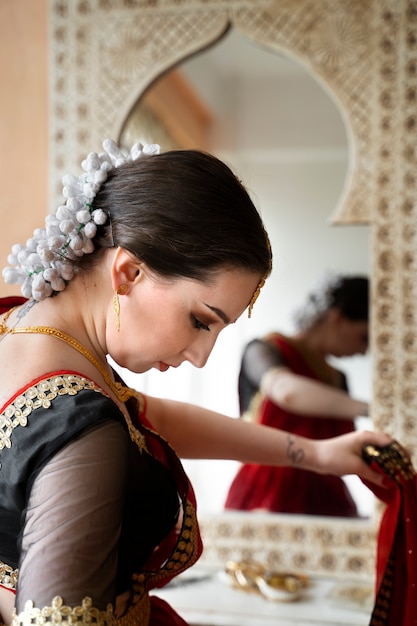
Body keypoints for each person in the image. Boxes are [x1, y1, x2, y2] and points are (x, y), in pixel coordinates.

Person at [0, 139, 390, 626]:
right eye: (202, 321)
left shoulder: (24, 332)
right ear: (128, 271)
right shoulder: (81, 429)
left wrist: (317, 454)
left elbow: (146, 416)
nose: (203, 357)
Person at [224, 273, 372, 517]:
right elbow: (287, 392)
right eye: (363, 337)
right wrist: (374, 408)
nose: (364, 350)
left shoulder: (337, 378)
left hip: (326, 495)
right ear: (337, 318)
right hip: (268, 490)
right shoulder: (265, 349)